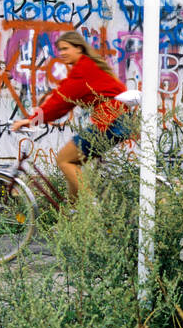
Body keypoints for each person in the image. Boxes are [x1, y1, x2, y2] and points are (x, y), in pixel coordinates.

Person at [12, 30, 132, 204]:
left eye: (66, 48)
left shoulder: (83, 70)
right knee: (73, 163)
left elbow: (60, 102)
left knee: (64, 159)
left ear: (79, 48)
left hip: (110, 122)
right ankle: (74, 215)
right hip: (117, 121)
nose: (62, 54)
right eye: (60, 50)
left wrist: (31, 120)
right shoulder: (89, 66)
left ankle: (90, 210)